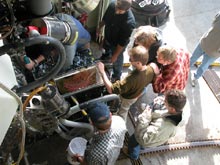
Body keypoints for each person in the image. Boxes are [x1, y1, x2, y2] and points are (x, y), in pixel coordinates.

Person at [97, 45, 155, 121]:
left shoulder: (131, 79)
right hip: (136, 94)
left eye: (131, 59)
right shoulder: (150, 69)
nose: (129, 60)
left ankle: (121, 126)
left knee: (123, 111)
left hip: (128, 98)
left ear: (138, 63)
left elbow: (111, 89)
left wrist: (102, 72)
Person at [125, 89, 187, 160]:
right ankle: (141, 147)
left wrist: (146, 115)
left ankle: (133, 154)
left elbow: (142, 138)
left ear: (172, 109)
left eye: (165, 102)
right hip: (154, 138)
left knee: (134, 142)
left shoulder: (162, 127)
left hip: (144, 139)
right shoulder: (178, 113)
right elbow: (163, 115)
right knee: (142, 144)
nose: (163, 102)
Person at [23, 13, 92, 71]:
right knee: (65, 65)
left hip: (66, 19)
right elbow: (47, 50)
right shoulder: (84, 40)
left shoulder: (86, 37)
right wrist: (35, 62)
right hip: (69, 30)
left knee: (64, 63)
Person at [97, 0, 136, 82]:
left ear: (127, 9)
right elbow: (104, 19)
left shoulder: (129, 23)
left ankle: (117, 76)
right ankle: (106, 56)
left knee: (117, 61)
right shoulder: (112, 5)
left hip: (117, 44)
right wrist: (99, 28)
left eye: (120, 11)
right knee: (106, 47)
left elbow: (122, 43)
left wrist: (115, 55)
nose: (116, 11)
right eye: (117, 8)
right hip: (108, 36)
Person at [190, 11, 220, 87]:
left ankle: (196, 77)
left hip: (213, 52)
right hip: (205, 43)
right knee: (193, 59)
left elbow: (214, 21)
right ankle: (185, 69)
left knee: (203, 66)